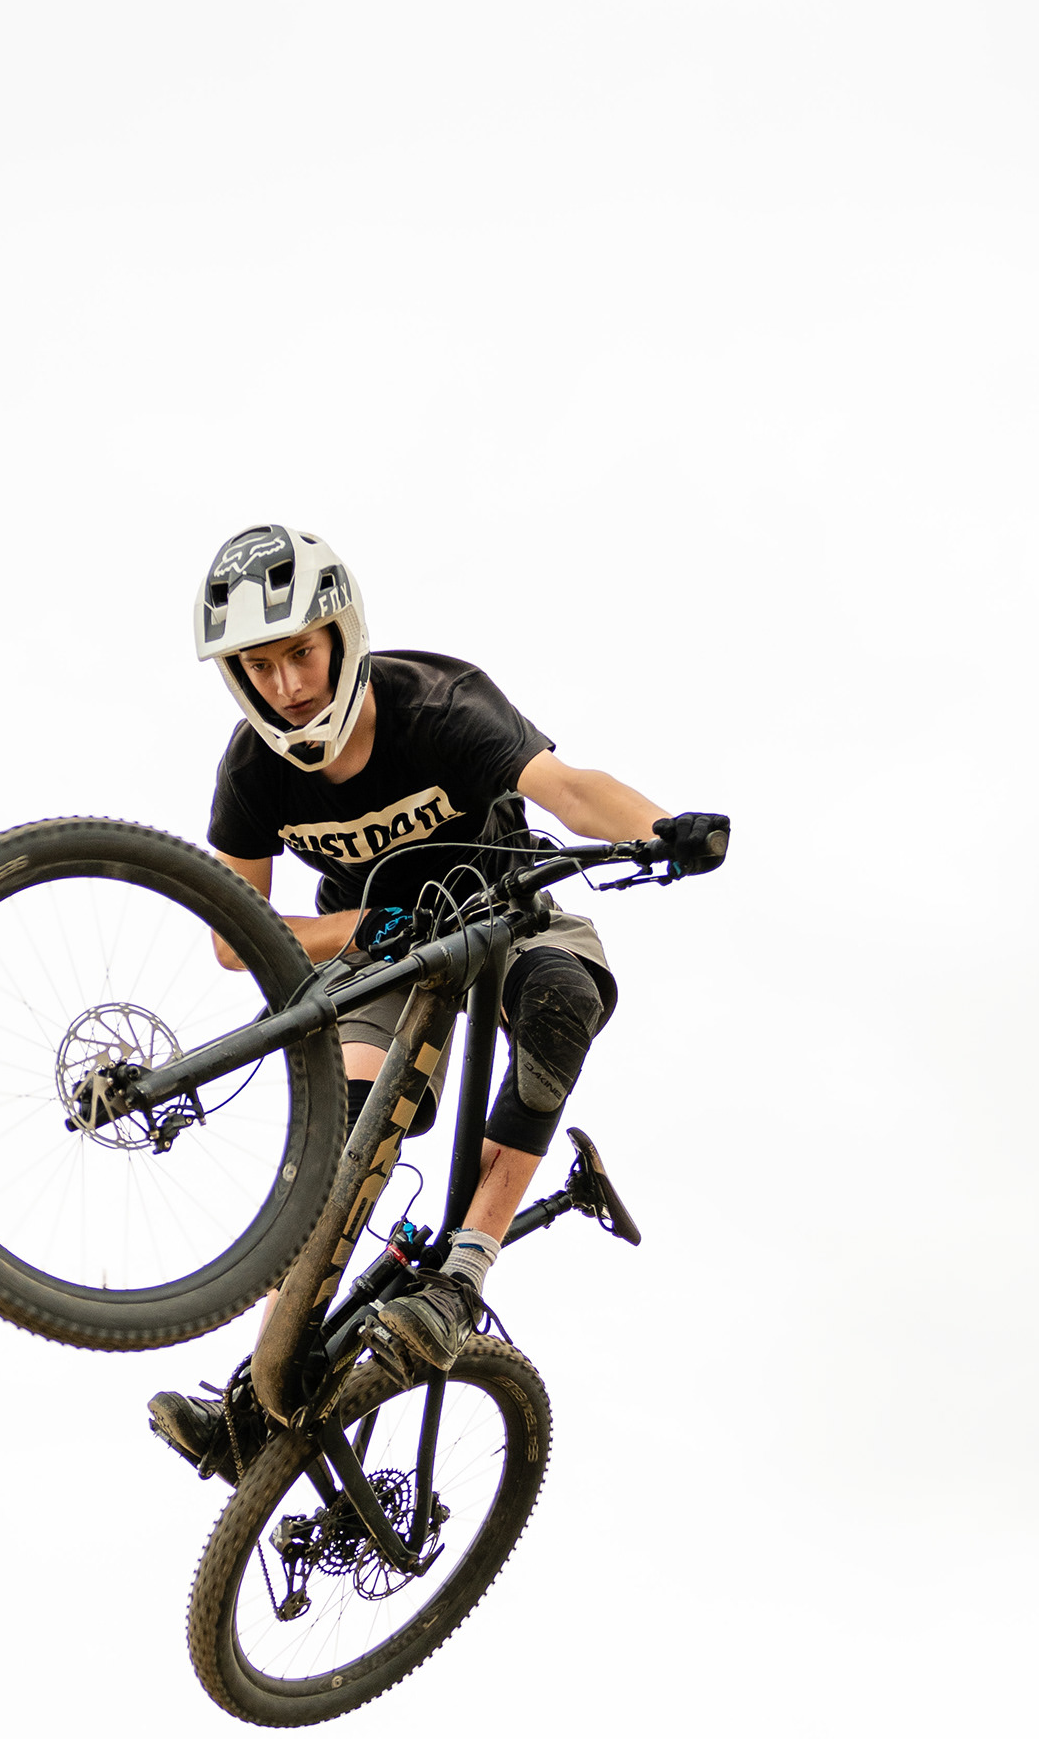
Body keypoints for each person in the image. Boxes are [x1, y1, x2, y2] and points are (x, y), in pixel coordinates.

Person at [148, 523, 727, 1483]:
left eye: (300, 653)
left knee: (561, 996)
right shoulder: (253, 770)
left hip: (508, 910)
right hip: (382, 954)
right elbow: (233, 935)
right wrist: (366, 924)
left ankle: (462, 1279)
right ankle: (251, 1396)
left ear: (342, 634)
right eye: (260, 666)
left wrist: (663, 828)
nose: (287, 685)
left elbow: (568, 789)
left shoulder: (440, 704)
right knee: (349, 1130)